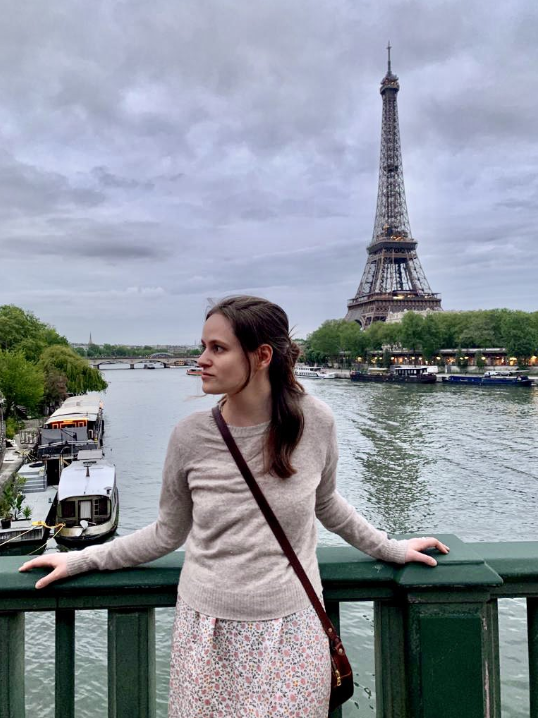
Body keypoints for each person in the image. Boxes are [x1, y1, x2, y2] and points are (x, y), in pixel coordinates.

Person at [20, 295, 449, 717]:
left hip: (293, 630)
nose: (201, 359)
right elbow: (167, 533)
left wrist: (391, 548)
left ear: (261, 356)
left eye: (217, 348)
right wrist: (81, 559)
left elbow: (327, 503)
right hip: (208, 632)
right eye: (203, 346)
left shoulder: (316, 422)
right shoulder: (190, 436)